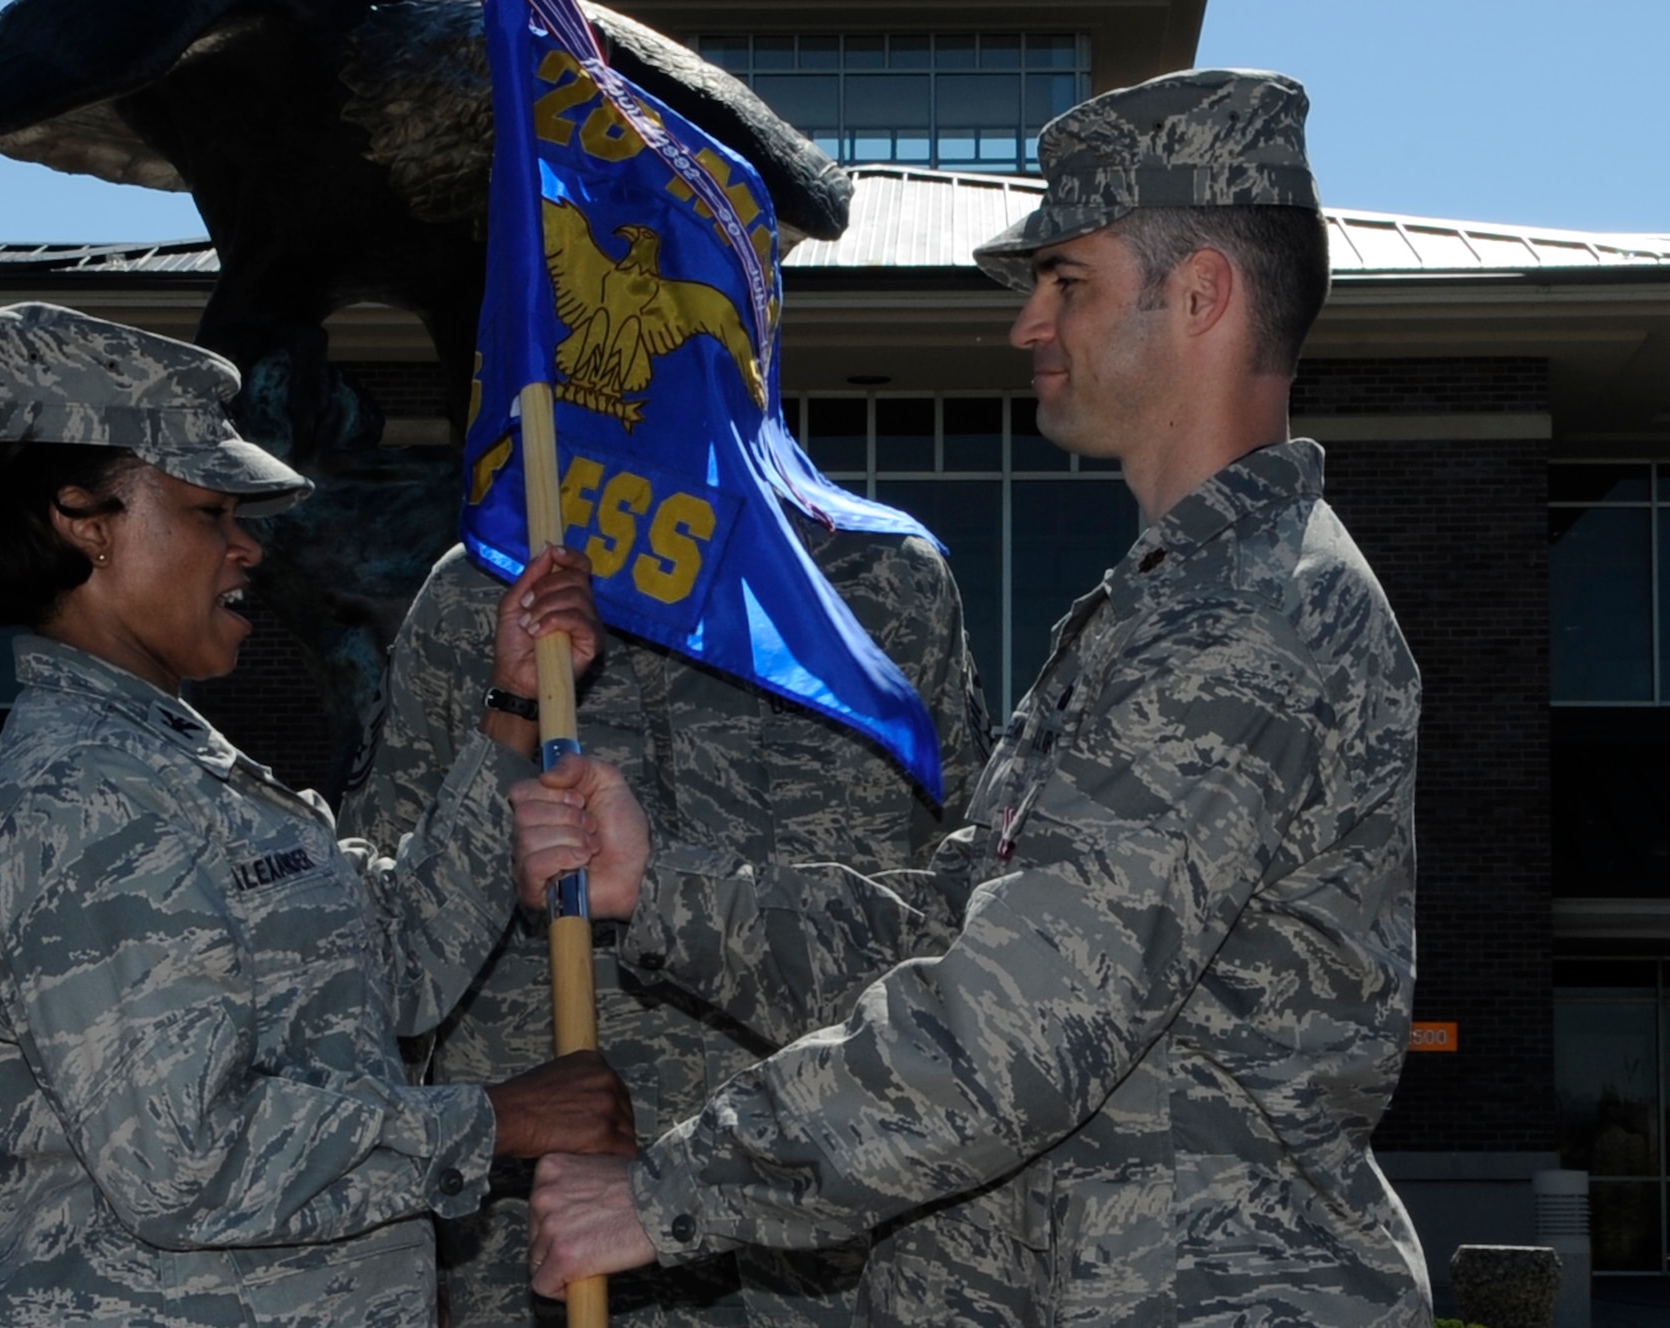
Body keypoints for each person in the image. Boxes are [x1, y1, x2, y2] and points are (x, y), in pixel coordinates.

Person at [511, 68, 1432, 1326]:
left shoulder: (1250, 615)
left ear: (1202, 293)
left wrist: (664, 1192)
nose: (1025, 326)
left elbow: (1016, 1022)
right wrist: (660, 888)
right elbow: (948, 938)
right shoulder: (1163, 605)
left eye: (1068, 282)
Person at [0, 302, 633, 1327]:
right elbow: (186, 1163)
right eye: (209, 512)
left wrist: (510, 703)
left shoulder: (179, 773)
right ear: (82, 519)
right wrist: (494, 1119)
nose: (248, 549)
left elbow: (402, 963)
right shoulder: (87, 805)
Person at [338, 517, 990, 1324]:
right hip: (542, 1238)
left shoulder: (881, 581)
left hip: (823, 1227)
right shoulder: (485, 592)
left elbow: (960, 930)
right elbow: (384, 953)